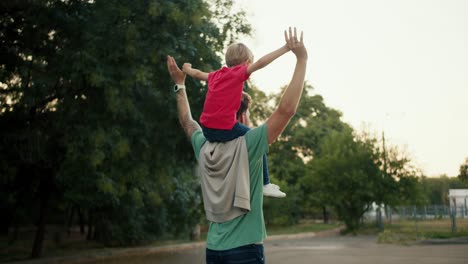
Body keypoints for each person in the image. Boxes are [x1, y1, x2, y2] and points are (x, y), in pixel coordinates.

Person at [167, 27, 307, 264]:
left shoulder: (203, 146)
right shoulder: (250, 144)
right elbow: (286, 110)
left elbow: (188, 122)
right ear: (241, 117)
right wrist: (301, 59)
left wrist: (180, 84)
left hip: (213, 249)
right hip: (244, 251)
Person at [182, 37, 290, 198]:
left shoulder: (215, 75)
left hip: (206, 130)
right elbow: (261, 63)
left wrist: (187, 69)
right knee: (259, 139)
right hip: (224, 128)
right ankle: (265, 183)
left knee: (240, 132)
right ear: (246, 62)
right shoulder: (239, 72)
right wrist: (285, 48)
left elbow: (197, 74)